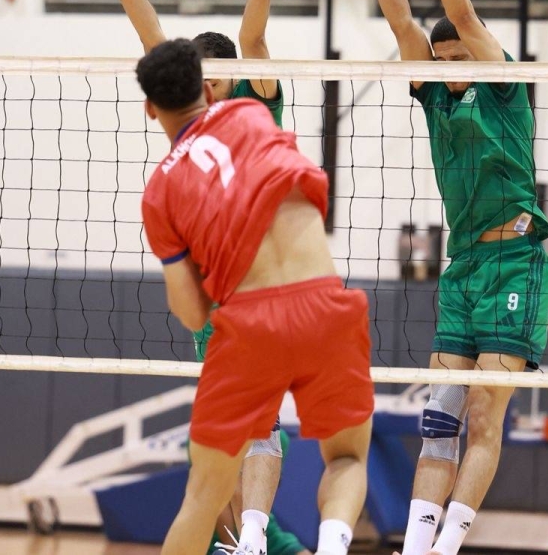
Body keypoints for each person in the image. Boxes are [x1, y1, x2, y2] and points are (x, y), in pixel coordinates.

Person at [70, 0, 308, 555]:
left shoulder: (259, 100)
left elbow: (253, 37)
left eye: (214, 75)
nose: (205, 86)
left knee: (259, 417)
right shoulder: (188, 116)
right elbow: (151, 37)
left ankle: (253, 538)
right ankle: (238, 541)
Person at [341, 0, 548, 555]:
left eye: (464, 56)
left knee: (485, 415)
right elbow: (402, 20)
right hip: (462, 267)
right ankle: (415, 547)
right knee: (439, 421)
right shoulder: (433, 93)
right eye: (446, 60)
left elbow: (460, 14)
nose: (455, 67)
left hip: (515, 262)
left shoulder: (502, 87)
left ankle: (448, 545)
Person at [137, 39, 374, 555]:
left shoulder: (159, 193)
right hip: (326, 306)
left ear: (150, 107)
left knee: (203, 497)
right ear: (208, 90)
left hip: (249, 322)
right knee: (347, 458)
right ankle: (333, 546)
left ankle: (251, 539)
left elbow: (192, 312)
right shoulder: (252, 113)